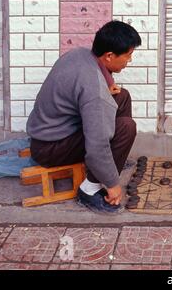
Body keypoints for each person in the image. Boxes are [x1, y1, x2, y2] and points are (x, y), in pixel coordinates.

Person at [27, 20, 142, 215]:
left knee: (121, 97)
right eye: (128, 55)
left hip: (53, 133)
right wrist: (113, 184)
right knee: (126, 127)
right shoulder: (93, 89)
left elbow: (84, 90)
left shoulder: (80, 54)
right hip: (50, 148)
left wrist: (105, 91)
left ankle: (114, 160)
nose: (129, 60)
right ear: (109, 56)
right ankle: (89, 189)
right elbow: (97, 146)